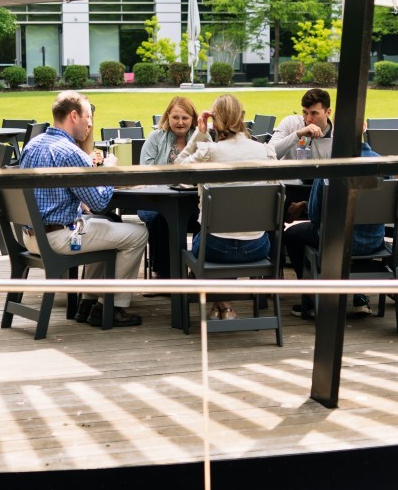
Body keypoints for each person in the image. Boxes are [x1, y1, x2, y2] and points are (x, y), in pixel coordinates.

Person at [19, 90, 148, 327]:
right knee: (138, 233)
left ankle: (87, 303)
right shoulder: (70, 152)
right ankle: (112, 306)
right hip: (57, 238)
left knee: (102, 227)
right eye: (88, 115)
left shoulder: (33, 144)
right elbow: (99, 203)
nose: (90, 122)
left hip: (30, 236)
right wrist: (108, 169)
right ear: (74, 116)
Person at [175, 93, 276, 321]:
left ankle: (221, 305)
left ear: (214, 119)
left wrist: (200, 134)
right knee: (227, 235)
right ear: (241, 118)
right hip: (257, 247)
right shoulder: (265, 152)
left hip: (215, 248)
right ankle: (225, 307)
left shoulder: (210, 152)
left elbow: (178, 168)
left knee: (211, 239)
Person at [284, 135, 386, 320]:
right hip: (373, 241)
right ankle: (360, 297)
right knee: (359, 227)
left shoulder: (330, 165)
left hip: (336, 240)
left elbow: (315, 216)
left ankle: (309, 297)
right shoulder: (382, 164)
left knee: (291, 234)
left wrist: (304, 206)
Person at [138, 95, 200, 280]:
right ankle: (164, 275)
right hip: (155, 199)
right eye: (175, 117)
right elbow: (145, 171)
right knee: (159, 218)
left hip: (190, 201)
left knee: (206, 217)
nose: (180, 122)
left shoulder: (200, 138)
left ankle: (197, 270)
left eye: (185, 118)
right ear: (167, 117)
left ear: (192, 119)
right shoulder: (155, 138)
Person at [269, 87, 336, 160]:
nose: (308, 119)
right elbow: (270, 154)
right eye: (305, 112)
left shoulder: (337, 136)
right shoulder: (290, 123)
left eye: (314, 113)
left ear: (328, 112)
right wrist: (298, 135)